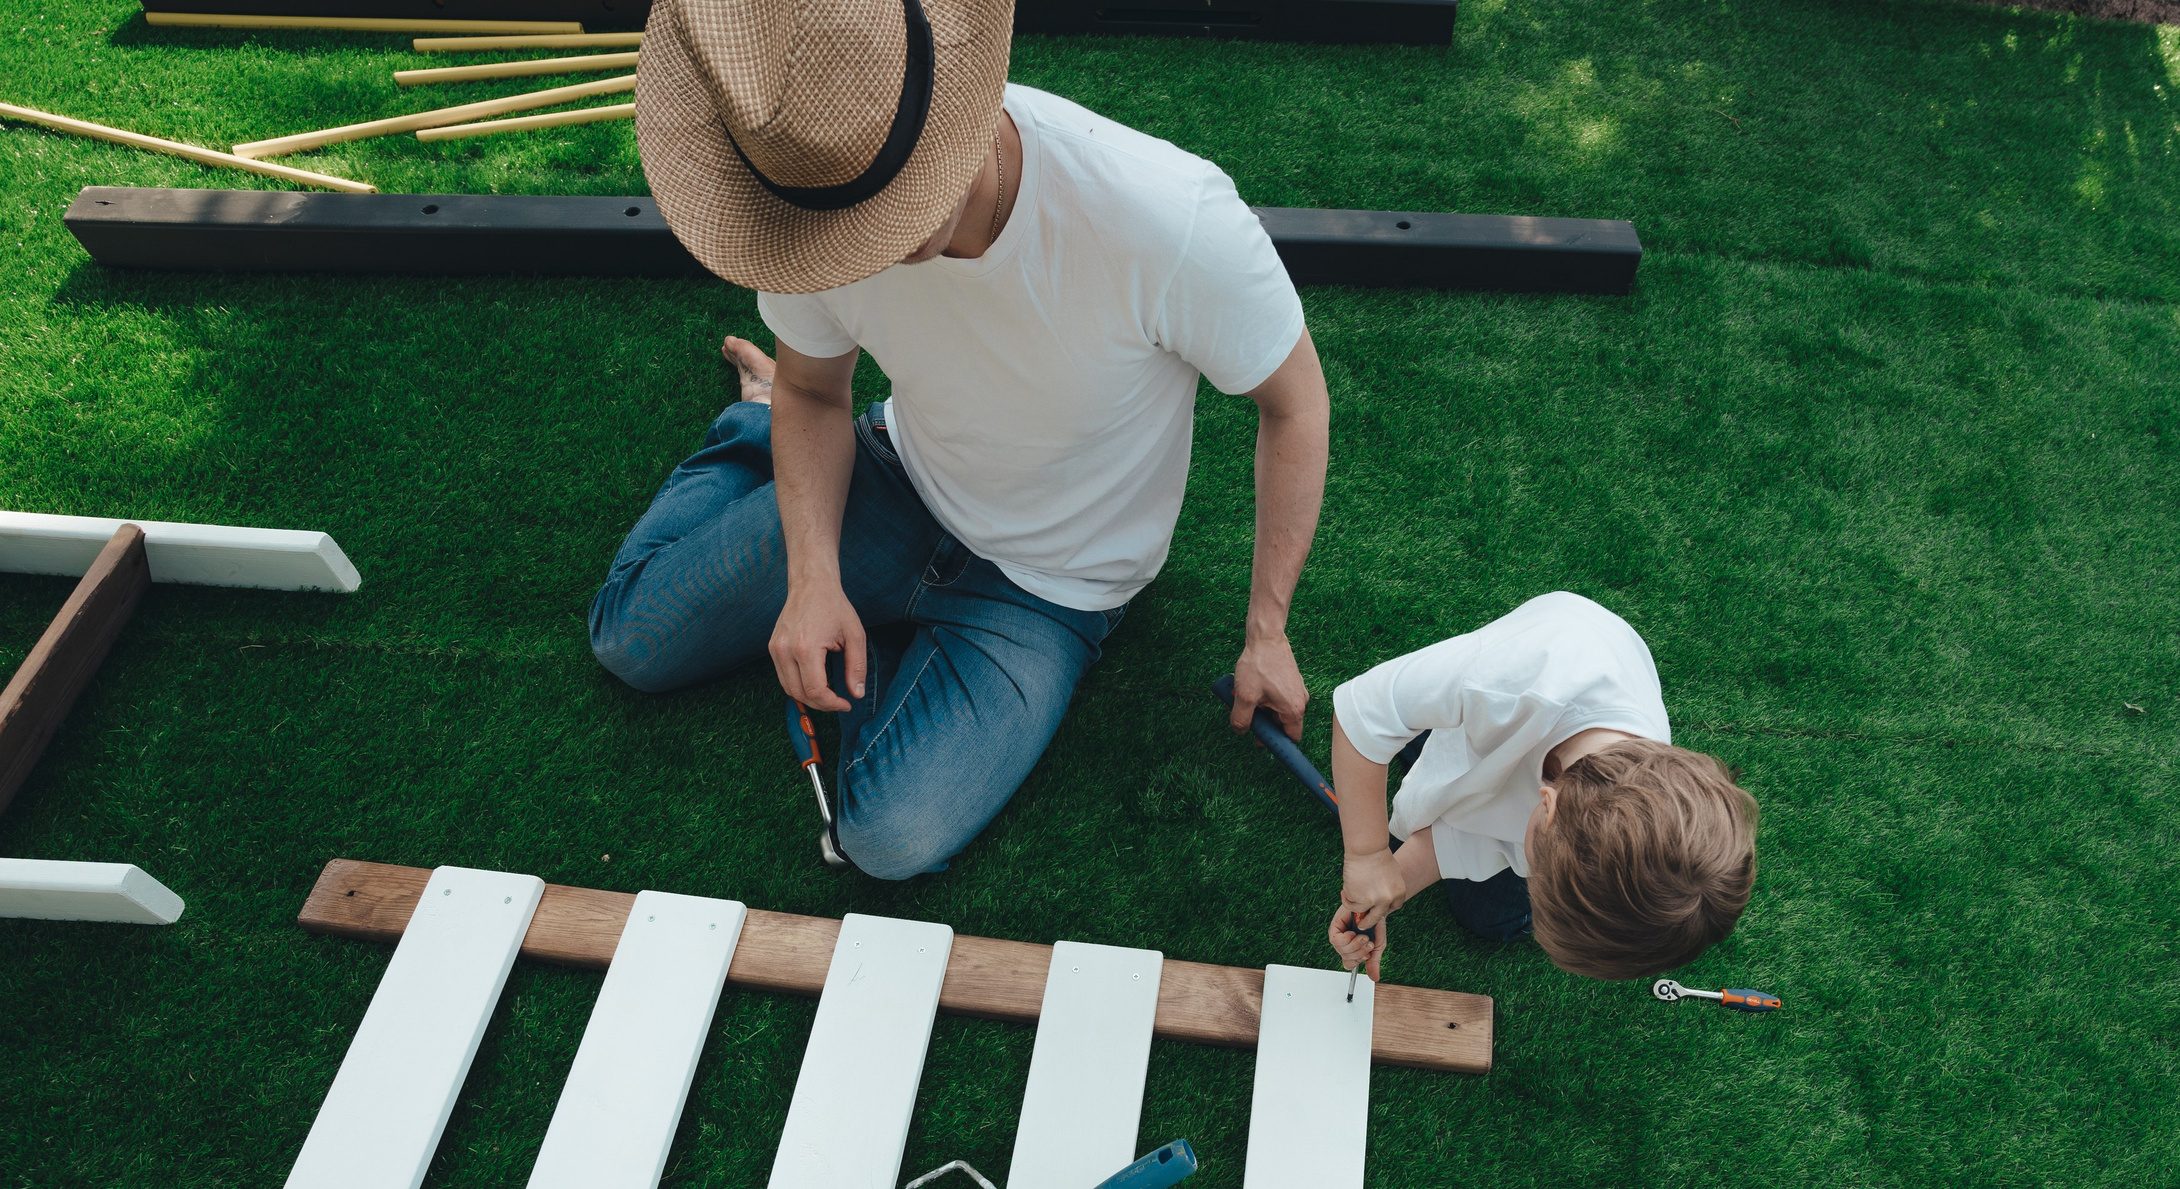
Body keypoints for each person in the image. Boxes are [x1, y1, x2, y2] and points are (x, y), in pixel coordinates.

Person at [592, 0, 1326, 877]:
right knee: (628, 641)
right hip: (896, 479)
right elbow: (816, 389)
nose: (860, 250)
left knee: (887, 840)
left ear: (956, 116)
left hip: (1055, 587)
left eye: (884, 214)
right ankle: (751, 426)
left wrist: (1268, 632)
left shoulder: (1166, 215)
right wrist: (813, 578)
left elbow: (1296, 404)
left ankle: (810, 506)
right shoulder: (801, 204)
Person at [1325, 592, 1760, 981]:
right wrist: (1367, 856)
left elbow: (1490, 842)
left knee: (1486, 918)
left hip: (1529, 756)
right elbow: (1361, 713)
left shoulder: (1637, 794)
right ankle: (1433, 733)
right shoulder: (1510, 682)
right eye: (1537, 876)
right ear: (1545, 803)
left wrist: (1391, 886)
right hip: (1514, 694)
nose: (1531, 877)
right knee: (1419, 735)